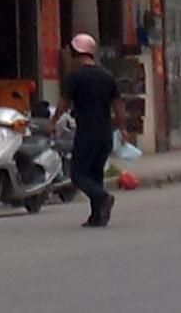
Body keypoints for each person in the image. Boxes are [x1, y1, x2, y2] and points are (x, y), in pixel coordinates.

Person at [49, 34, 127, 228]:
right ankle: (96, 216)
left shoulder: (75, 77)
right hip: (105, 133)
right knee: (95, 174)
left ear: (76, 53)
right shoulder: (107, 76)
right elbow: (118, 106)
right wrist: (122, 128)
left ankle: (103, 197)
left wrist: (53, 121)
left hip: (87, 133)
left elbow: (64, 103)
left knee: (78, 175)